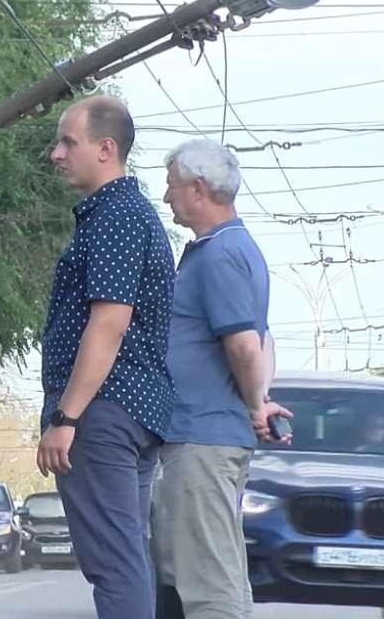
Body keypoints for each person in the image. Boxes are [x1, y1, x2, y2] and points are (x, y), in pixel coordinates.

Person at [37, 95, 176, 619]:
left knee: (114, 564)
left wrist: (66, 417)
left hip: (104, 412)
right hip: (132, 412)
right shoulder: (127, 213)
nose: (56, 154)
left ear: (106, 148)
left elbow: (109, 323)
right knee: (128, 557)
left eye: (68, 142)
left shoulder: (116, 216)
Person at [151, 138, 291, 619]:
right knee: (217, 572)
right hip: (206, 437)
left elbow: (245, 345)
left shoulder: (220, 255)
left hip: (203, 440)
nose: (167, 196)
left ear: (198, 189)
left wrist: (256, 405)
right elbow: (264, 339)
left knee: (207, 584)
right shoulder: (227, 248)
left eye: (171, 186)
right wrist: (260, 398)